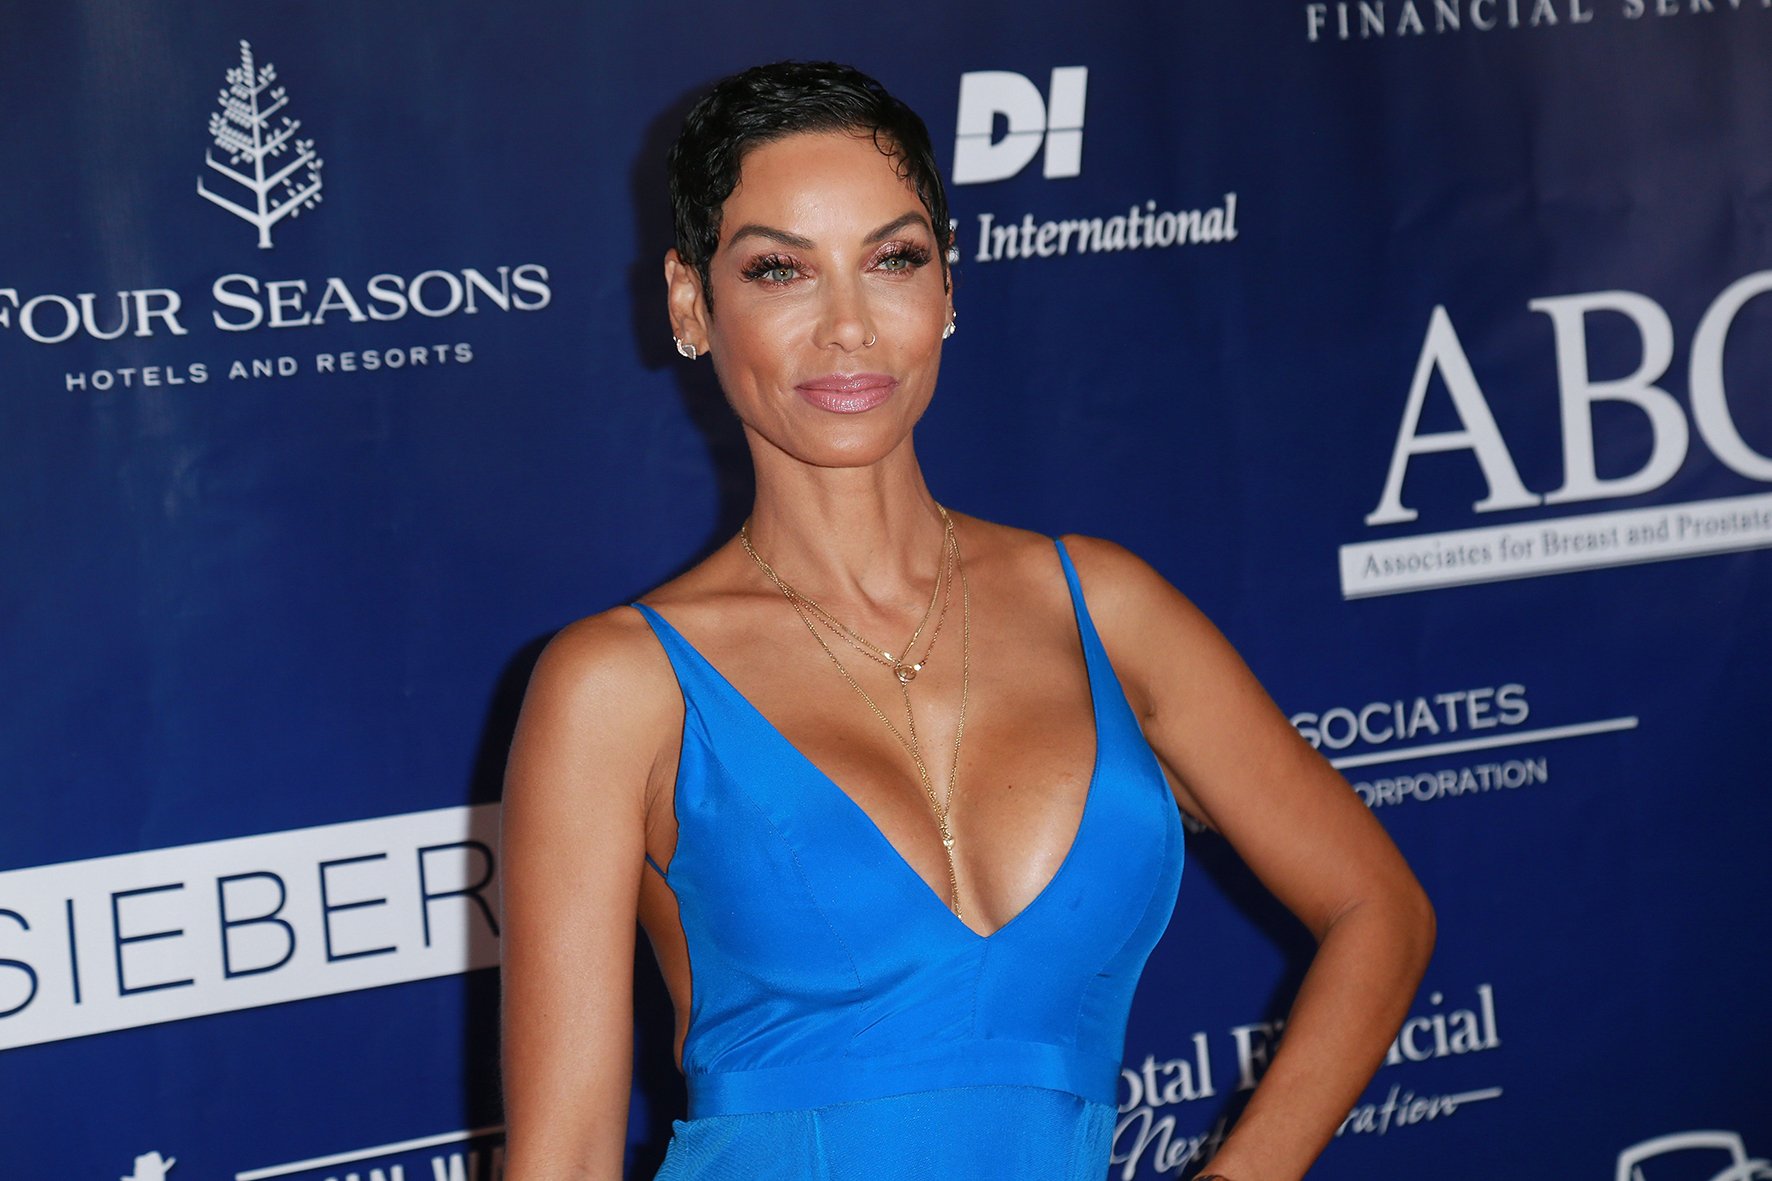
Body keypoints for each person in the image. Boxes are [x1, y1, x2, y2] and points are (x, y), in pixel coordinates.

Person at [500, 61, 1434, 1181]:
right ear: (692, 303)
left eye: (891, 259)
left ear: (946, 288)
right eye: (778, 270)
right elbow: (560, 1158)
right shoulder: (616, 684)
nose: (847, 327)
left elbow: (1374, 906)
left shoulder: (1104, 604)